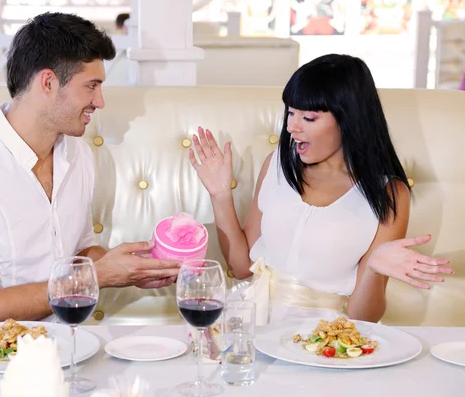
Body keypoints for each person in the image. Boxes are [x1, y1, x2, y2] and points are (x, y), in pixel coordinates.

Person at [0, 12, 180, 327]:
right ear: (48, 82)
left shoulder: (78, 154)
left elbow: (80, 249)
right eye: (91, 86)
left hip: (70, 347)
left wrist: (129, 269)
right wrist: (100, 276)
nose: (100, 102)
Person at [190, 54, 453, 324]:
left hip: (322, 339)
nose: (292, 127)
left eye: (309, 118)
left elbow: (364, 316)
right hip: (250, 324)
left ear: (348, 120)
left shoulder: (389, 193)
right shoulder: (276, 165)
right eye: (290, 113)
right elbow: (241, 268)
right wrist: (220, 194)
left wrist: (375, 267)